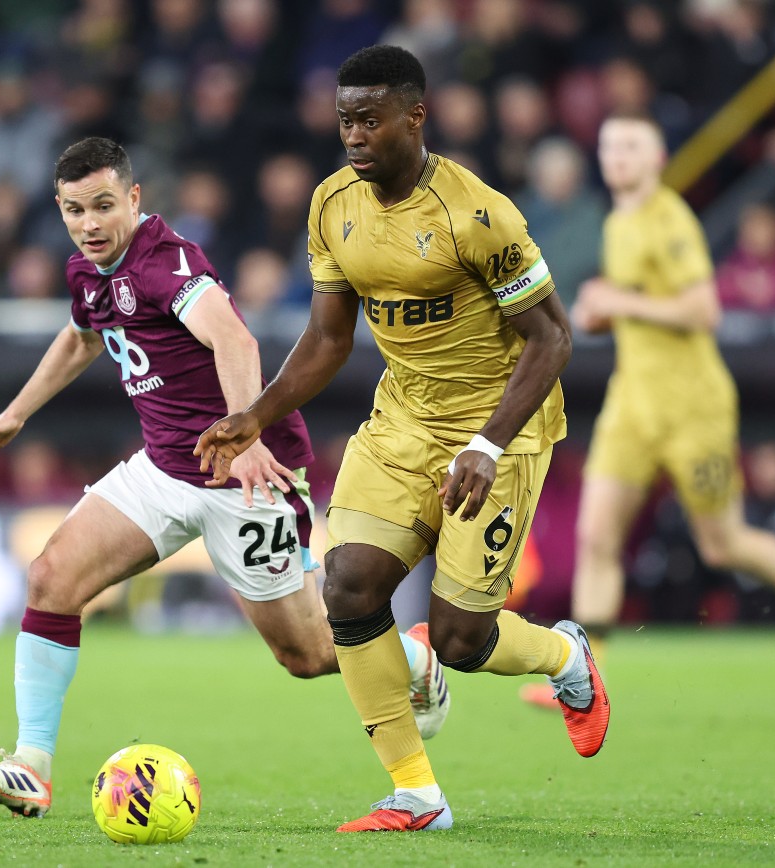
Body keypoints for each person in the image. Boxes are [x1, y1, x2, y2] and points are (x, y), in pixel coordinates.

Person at [0, 137, 450, 819]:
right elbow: (82, 336)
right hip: (163, 468)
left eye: (102, 206)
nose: (89, 224)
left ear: (133, 198)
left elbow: (236, 341)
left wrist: (244, 437)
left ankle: (411, 658)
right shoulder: (87, 272)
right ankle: (31, 766)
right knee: (51, 580)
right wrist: (15, 416)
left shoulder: (167, 262)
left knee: (306, 654)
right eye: (73, 211)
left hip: (245, 476)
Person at [195, 45, 609, 834]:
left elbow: (552, 340)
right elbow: (325, 339)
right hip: (402, 424)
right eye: (344, 118)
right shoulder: (332, 205)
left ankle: (566, 659)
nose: (353, 134)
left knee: (458, 639)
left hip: (499, 434)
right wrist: (256, 409)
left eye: (370, 118)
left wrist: (486, 446)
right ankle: (416, 795)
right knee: (347, 588)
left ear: (415, 116)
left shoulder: (477, 214)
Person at [544, 112, 775, 686]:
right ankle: (584, 677)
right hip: (633, 402)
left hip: (692, 407)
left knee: (721, 542)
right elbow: (638, 305)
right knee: (596, 537)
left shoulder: (670, 218)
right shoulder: (617, 223)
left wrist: (620, 302)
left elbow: (704, 309)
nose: (617, 156)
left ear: (658, 158)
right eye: (609, 146)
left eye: (632, 145)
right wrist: (601, 313)